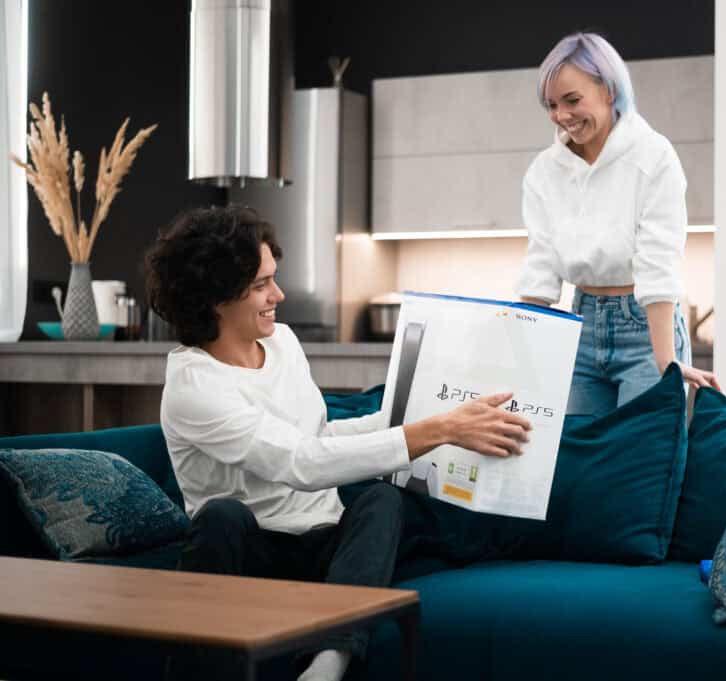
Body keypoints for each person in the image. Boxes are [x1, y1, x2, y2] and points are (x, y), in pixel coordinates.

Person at [146, 205, 531, 681]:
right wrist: (441, 430)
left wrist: (424, 420)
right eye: (261, 285)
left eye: (275, 277)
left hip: (321, 545)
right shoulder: (194, 387)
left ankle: (330, 660)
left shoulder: (283, 341)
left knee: (382, 500)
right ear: (216, 298)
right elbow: (300, 462)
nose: (279, 294)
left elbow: (317, 437)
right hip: (250, 559)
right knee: (222, 516)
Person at [517, 33, 720, 416]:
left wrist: (665, 360)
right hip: (581, 324)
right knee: (579, 460)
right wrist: (523, 357)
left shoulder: (653, 156)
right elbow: (540, 266)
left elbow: (657, 262)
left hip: (646, 330)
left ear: (609, 90)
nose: (562, 115)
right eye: (552, 105)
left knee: (641, 462)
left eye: (572, 100)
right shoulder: (544, 171)